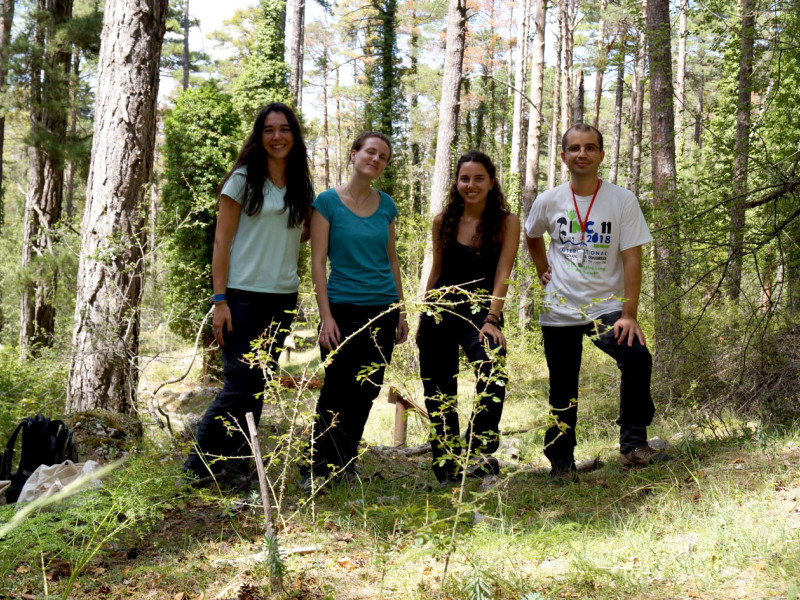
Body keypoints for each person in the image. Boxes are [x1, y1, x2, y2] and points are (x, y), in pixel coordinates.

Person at [524, 123, 668, 482]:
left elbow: (633, 258)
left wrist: (629, 314)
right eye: (574, 148)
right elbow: (531, 234)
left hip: (606, 306)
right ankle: (560, 463)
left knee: (636, 357)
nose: (582, 154)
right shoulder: (549, 199)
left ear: (602, 155)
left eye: (590, 148)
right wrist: (543, 268)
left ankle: (634, 445)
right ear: (563, 157)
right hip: (560, 308)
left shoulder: (622, 200)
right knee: (563, 387)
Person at [184, 103, 314, 484]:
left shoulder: (301, 183)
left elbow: (301, 233)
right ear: (259, 136)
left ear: (294, 135)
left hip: (283, 296)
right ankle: (198, 468)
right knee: (239, 384)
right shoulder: (241, 180)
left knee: (258, 384)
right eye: (269, 130)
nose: (277, 137)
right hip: (241, 296)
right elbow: (221, 243)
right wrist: (219, 301)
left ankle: (240, 464)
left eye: (284, 129)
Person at [303, 131, 408, 492]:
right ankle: (317, 468)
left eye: (383, 156)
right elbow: (317, 262)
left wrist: (402, 310)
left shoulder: (388, 206)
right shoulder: (327, 203)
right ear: (354, 154)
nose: (375, 159)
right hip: (341, 310)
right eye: (370, 152)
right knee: (335, 390)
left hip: (383, 310)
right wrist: (326, 316)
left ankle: (345, 463)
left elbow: (391, 259)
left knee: (366, 390)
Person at [417, 151, 520, 485]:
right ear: (457, 182)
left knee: (493, 371)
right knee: (437, 386)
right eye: (465, 178)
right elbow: (436, 269)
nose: (471, 185)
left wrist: (493, 318)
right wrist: (424, 312)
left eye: (479, 178)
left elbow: (504, 271)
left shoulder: (507, 222)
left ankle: (479, 454)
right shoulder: (443, 220)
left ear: (491, 182)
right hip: (440, 308)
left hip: (481, 310)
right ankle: (446, 464)